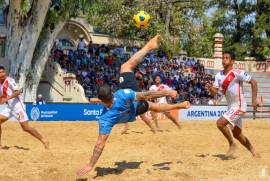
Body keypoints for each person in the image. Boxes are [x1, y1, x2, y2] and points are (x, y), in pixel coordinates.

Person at [76, 35, 191, 177]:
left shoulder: (105, 119)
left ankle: (178, 105)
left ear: (103, 100)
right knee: (146, 99)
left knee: (148, 102)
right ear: (112, 92)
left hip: (130, 112)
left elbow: (100, 144)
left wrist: (90, 165)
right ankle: (149, 46)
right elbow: (145, 95)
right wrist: (167, 91)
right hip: (132, 105)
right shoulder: (121, 94)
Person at [205, 52, 260, 158]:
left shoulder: (237, 72)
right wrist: (210, 88)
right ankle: (254, 152)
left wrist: (254, 100)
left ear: (232, 61)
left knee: (220, 123)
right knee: (237, 134)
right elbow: (214, 92)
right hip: (231, 107)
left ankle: (232, 144)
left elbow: (254, 82)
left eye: (227, 58)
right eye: (223, 58)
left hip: (239, 106)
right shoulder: (218, 75)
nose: (224, 59)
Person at [0, 66, 49, 149]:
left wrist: (6, 99)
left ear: (5, 73)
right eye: (0, 73)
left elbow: (17, 92)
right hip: (9, 107)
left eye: (2, 72)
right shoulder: (0, 83)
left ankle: (44, 140)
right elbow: (4, 96)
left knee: (25, 127)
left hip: (17, 106)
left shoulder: (10, 80)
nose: (1, 74)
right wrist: (3, 99)